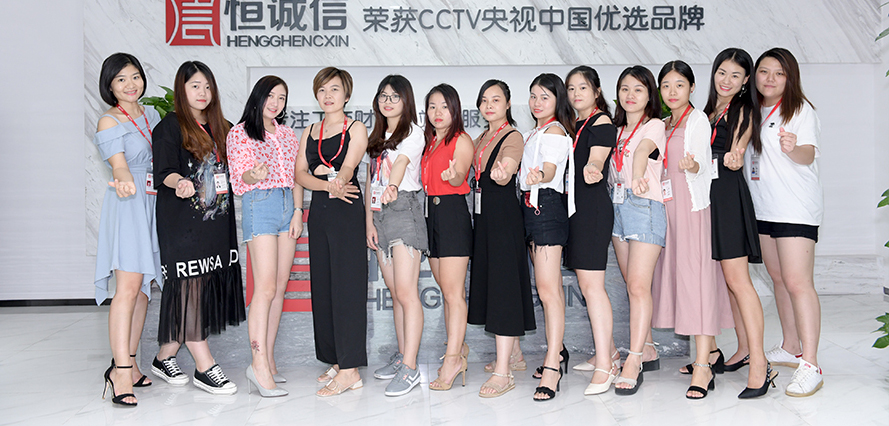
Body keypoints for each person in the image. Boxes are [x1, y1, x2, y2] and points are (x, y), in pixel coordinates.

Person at [150, 61, 244, 395]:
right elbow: (165, 172)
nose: (202, 92)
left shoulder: (223, 127)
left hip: (215, 224)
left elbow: (235, 170)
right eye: (194, 86)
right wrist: (180, 183)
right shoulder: (170, 126)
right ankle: (205, 367)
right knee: (188, 286)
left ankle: (165, 356)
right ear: (182, 89)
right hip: (182, 224)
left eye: (207, 86)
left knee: (201, 290)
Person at [652, 60, 733, 399]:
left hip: (691, 208)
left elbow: (703, 164)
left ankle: (702, 367)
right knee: (682, 280)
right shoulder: (663, 123)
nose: (672, 92)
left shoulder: (697, 119)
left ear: (692, 88)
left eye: (679, 85)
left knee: (697, 282)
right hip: (668, 209)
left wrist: (693, 164)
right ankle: (710, 352)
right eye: (666, 85)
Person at [703, 48, 776, 399]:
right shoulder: (706, 111)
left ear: (746, 80)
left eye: (735, 75)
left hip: (728, 198)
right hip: (705, 199)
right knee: (727, 283)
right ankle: (743, 349)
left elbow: (738, 147)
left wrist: (735, 154)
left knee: (738, 281)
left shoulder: (744, 109)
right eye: (722, 72)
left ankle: (760, 363)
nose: (727, 80)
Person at [752, 47, 824, 397]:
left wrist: (793, 147)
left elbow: (808, 154)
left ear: (789, 78)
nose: (770, 78)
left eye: (779, 73)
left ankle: (811, 364)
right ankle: (791, 346)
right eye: (764, 71)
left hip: (795, 209)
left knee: (798, 282)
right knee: (779, 279)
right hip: (764, 208)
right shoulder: (753, 111)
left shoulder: (800, 109)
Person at [294, 67, 368, 397]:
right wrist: (326, 185)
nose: (328, 95)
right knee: (324, 287)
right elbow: (300, 173)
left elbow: (350, 164)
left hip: (346, 206)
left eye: (335, 89)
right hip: (321, 210)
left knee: (348, 287)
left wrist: (339, 181)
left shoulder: (356, 127)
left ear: (346, 95)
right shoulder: (310, 131)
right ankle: (337, 360)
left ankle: (351, 370)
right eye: (322, 90)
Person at [226, 75, 302, 397]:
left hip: (287, 205)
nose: (275, 103)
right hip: (260, 203)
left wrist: (297, 211)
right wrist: (253, 174)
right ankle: (257, 364)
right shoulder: (240, 133)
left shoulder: (287, 134)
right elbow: (238, 177)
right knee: (266, 287)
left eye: (281, 98)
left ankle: (268, 360)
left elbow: (297, 176)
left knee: (280, 288)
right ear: (258, 97)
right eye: (270, 96)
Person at [94, 53, 160, 407]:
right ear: (110, 86)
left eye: (135, 76)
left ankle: (131, 363)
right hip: (128, 203)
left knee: (144, 289)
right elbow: (119, 166)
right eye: (121, 79)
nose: (130, 84)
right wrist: (122, 180)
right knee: (128, 287)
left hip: (151, 203)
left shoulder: (152, 115)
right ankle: (118, 372)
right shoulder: (109, 121)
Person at [466, 80, 536, 399]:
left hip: (504, 220)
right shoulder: (480, 138)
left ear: (508, 104)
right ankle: (515, 355)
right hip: (484, 220)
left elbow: (507, 167)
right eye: (484, 100)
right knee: (494, 286)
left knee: (504, 290)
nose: (489, 105)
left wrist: (503, 172)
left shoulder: (512, 136)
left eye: (496, 100)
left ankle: (504, 373)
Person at [364, 75, 428, 397]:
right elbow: (369, 180)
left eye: (394, 96)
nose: (387, 102)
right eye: (383, 96)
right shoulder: (376, 135)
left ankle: (411, 368)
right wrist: (369, 221)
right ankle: (404, 357)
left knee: (406, 291)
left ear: (406, 100)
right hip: (380, 214)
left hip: (403, 209)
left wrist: (391, 185)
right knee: (395, 292)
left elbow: (401, 163)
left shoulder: (413, 132)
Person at [609, 66, 666, 396]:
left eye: (638, 89)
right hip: (617, 208)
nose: (630, 95)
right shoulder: (615, 129)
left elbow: (643, 150)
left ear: (649, 95)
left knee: (639, 286)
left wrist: (638, 177)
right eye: (625, 89)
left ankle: (633, 361)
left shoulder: (654, 125)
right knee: (632, 284)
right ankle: (648, 347)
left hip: (644, 205)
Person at [517, 74, 574, 401]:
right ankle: (558, 351)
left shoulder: (554, 132)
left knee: (549, 290)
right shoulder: (533, 133)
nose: (537, 103)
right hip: (531, 209)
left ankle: (553, 365)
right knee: (547, 289)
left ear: (557, 101)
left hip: (547, 209)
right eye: (533, 96)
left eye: (545, 97)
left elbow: (550, 169)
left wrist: (541, 174)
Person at [563, 66, 620, 395]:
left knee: (593, 287)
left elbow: (597, 158)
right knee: (587, 286)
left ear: (597, 91)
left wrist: (593, 167)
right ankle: (607, 352)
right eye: (571, 89)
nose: (576, 94)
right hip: (576, 212)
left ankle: (607, 365)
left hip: (592, 212)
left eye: (583, 88)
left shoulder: (601, 123)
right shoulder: (576, 124)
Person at [420, 84, 474, 392]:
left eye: (444, 106)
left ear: (455, 109)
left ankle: (453, 359)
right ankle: (458, 346)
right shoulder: (429, 142)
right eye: (432, 106)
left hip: (453, 214)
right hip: (432, 216)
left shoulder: (461, 139)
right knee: (446, 290)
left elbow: (460, 174)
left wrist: (453, 176)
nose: (437, 112)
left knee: (454, 293)